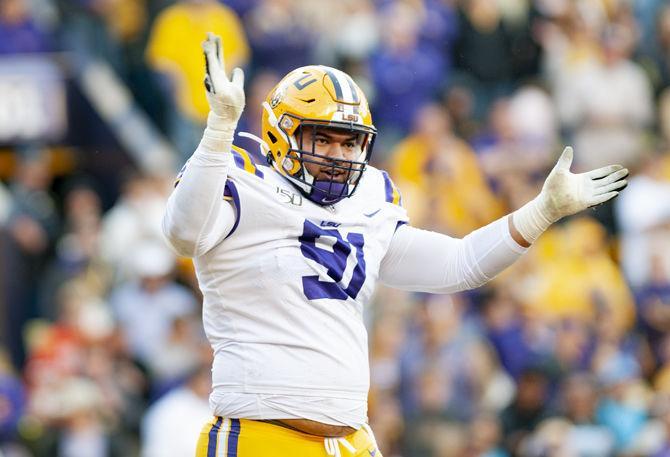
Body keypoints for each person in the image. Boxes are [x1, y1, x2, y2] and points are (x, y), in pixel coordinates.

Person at [162, 33, 629, 457]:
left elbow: (459, 265)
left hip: (351, 441)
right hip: (261, 435)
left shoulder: (369, 199)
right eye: (322, 139)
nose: (339, 156)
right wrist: (219, 130)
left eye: (350, 143)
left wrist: (542, 210)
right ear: (281, 134)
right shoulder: (244, 180)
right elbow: (183, 233)